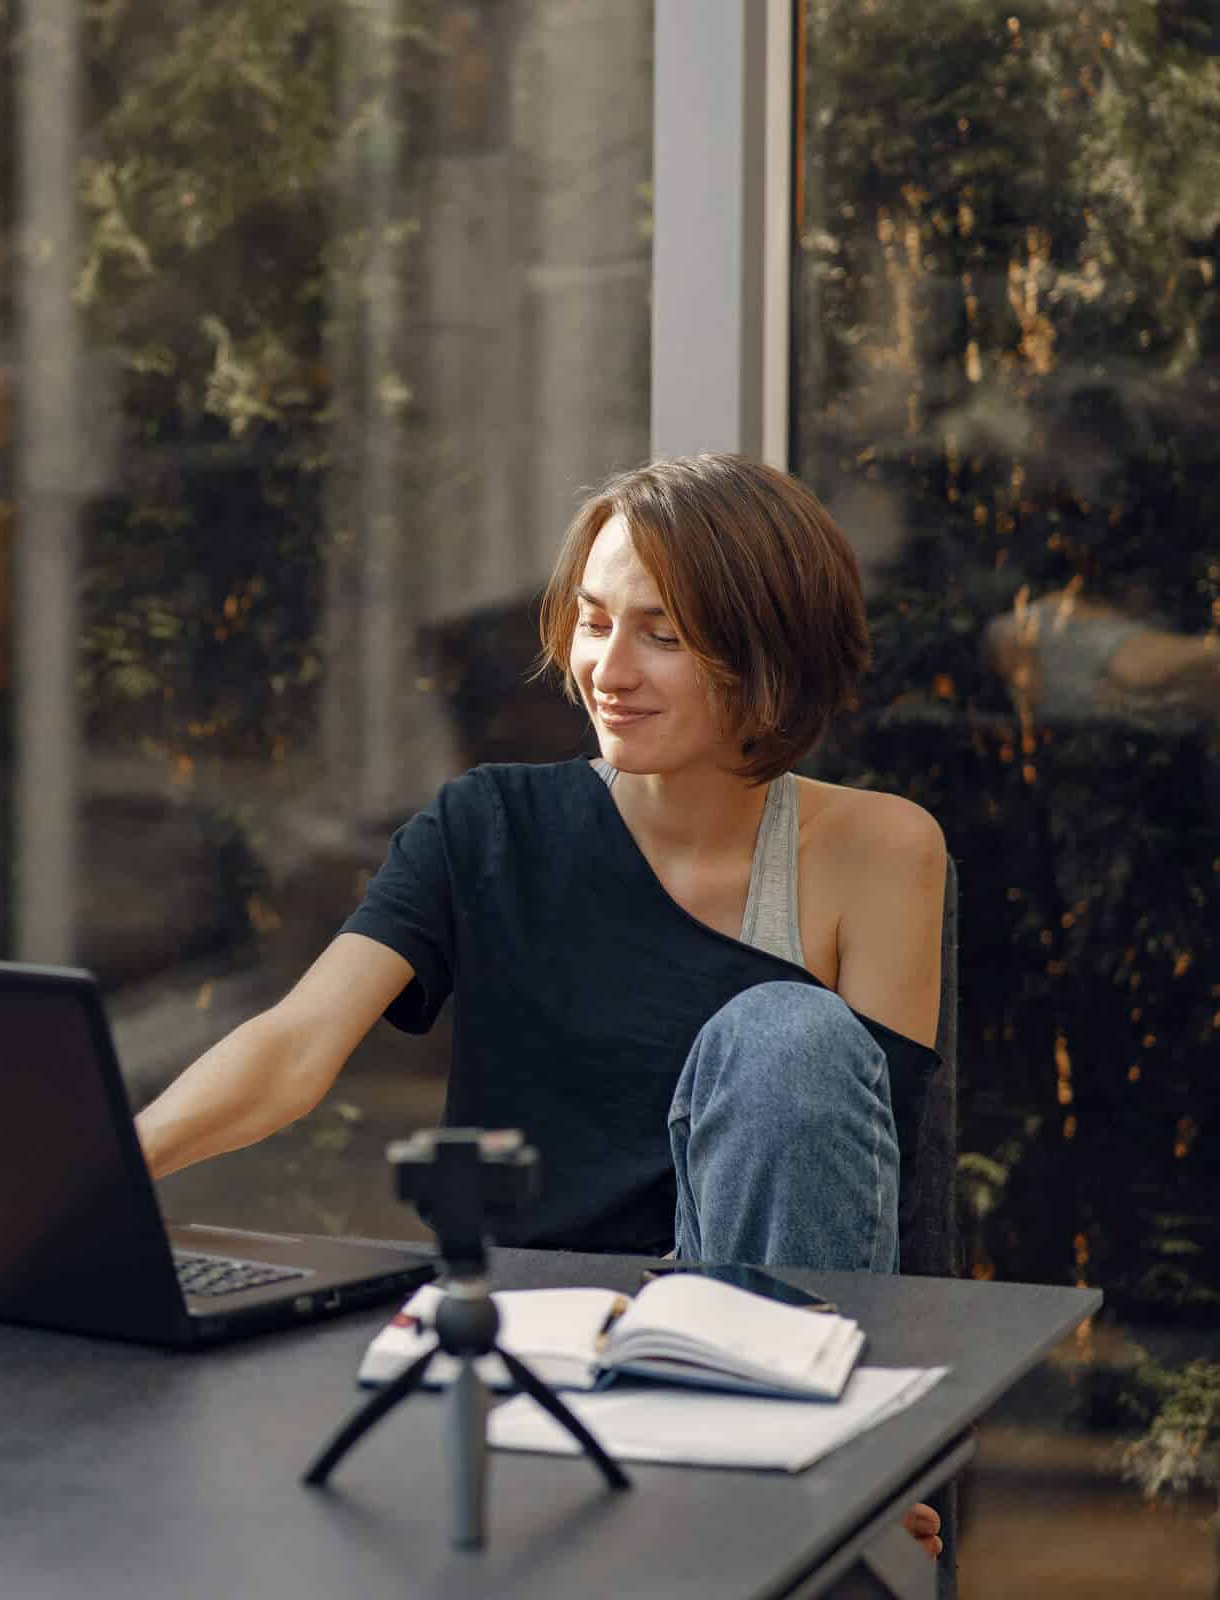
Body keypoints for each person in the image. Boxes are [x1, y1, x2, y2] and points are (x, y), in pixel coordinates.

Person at [133, 453, 949, 1552]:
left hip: (744, 1367)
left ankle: (808, 1503)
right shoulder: (488, 827)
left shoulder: (882, 848)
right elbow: (293, 1045)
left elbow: (867, 1188)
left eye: (663, 634)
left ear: (767, 654)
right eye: (593, 621)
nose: (609, 667)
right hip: (532, 1348)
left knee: (788, 1035)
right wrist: (94, 1183)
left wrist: (897, 1451)